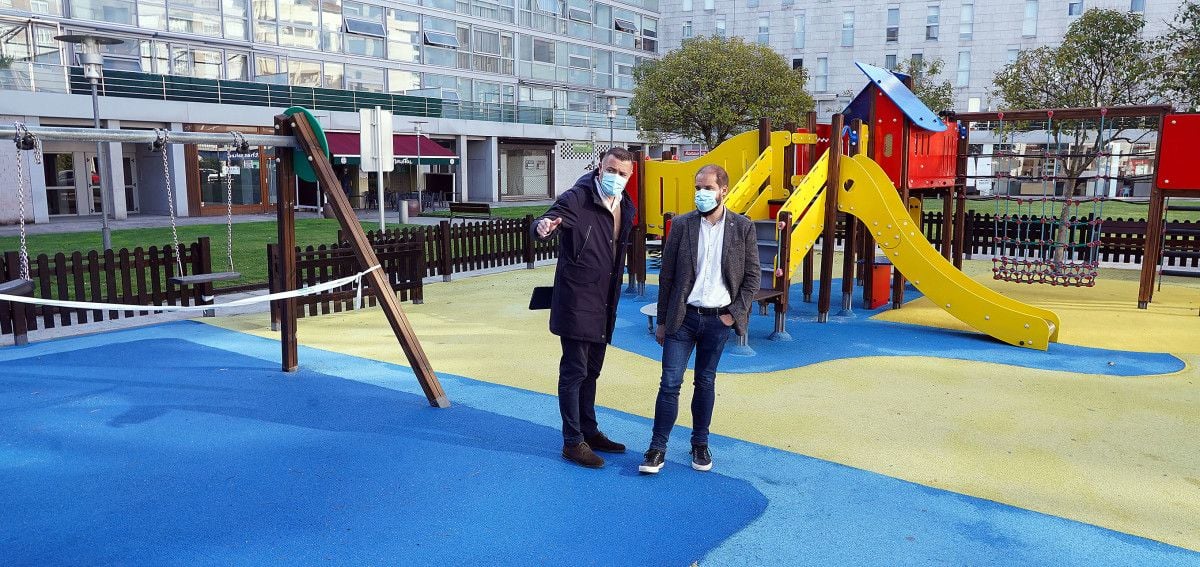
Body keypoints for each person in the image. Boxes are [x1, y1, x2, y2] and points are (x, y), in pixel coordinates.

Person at [639, 164, 760, 475]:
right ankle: (657, 447)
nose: (701, 194)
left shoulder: (742, 227)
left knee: (705, 381)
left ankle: (700, 442)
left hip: (717, 321)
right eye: (698, 188)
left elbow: (752, 276)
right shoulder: (682, 225)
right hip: (683, 317)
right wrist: (663, 321)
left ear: (723, 191)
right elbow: (666, 276)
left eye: (707, 188)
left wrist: (732, 316)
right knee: (669, 383)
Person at [532, 147, 637, 469]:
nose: (615, 177)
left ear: (629, 176)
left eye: (622, 173)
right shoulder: (579, 196)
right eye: (610, 170)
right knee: (574, 371)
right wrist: (545, 225)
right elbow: (550, 217)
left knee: (592, 370)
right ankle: (572, 441)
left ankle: (589, 431)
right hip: (578, 300)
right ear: (599, 168)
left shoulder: (627, 207)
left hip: (605, 302)